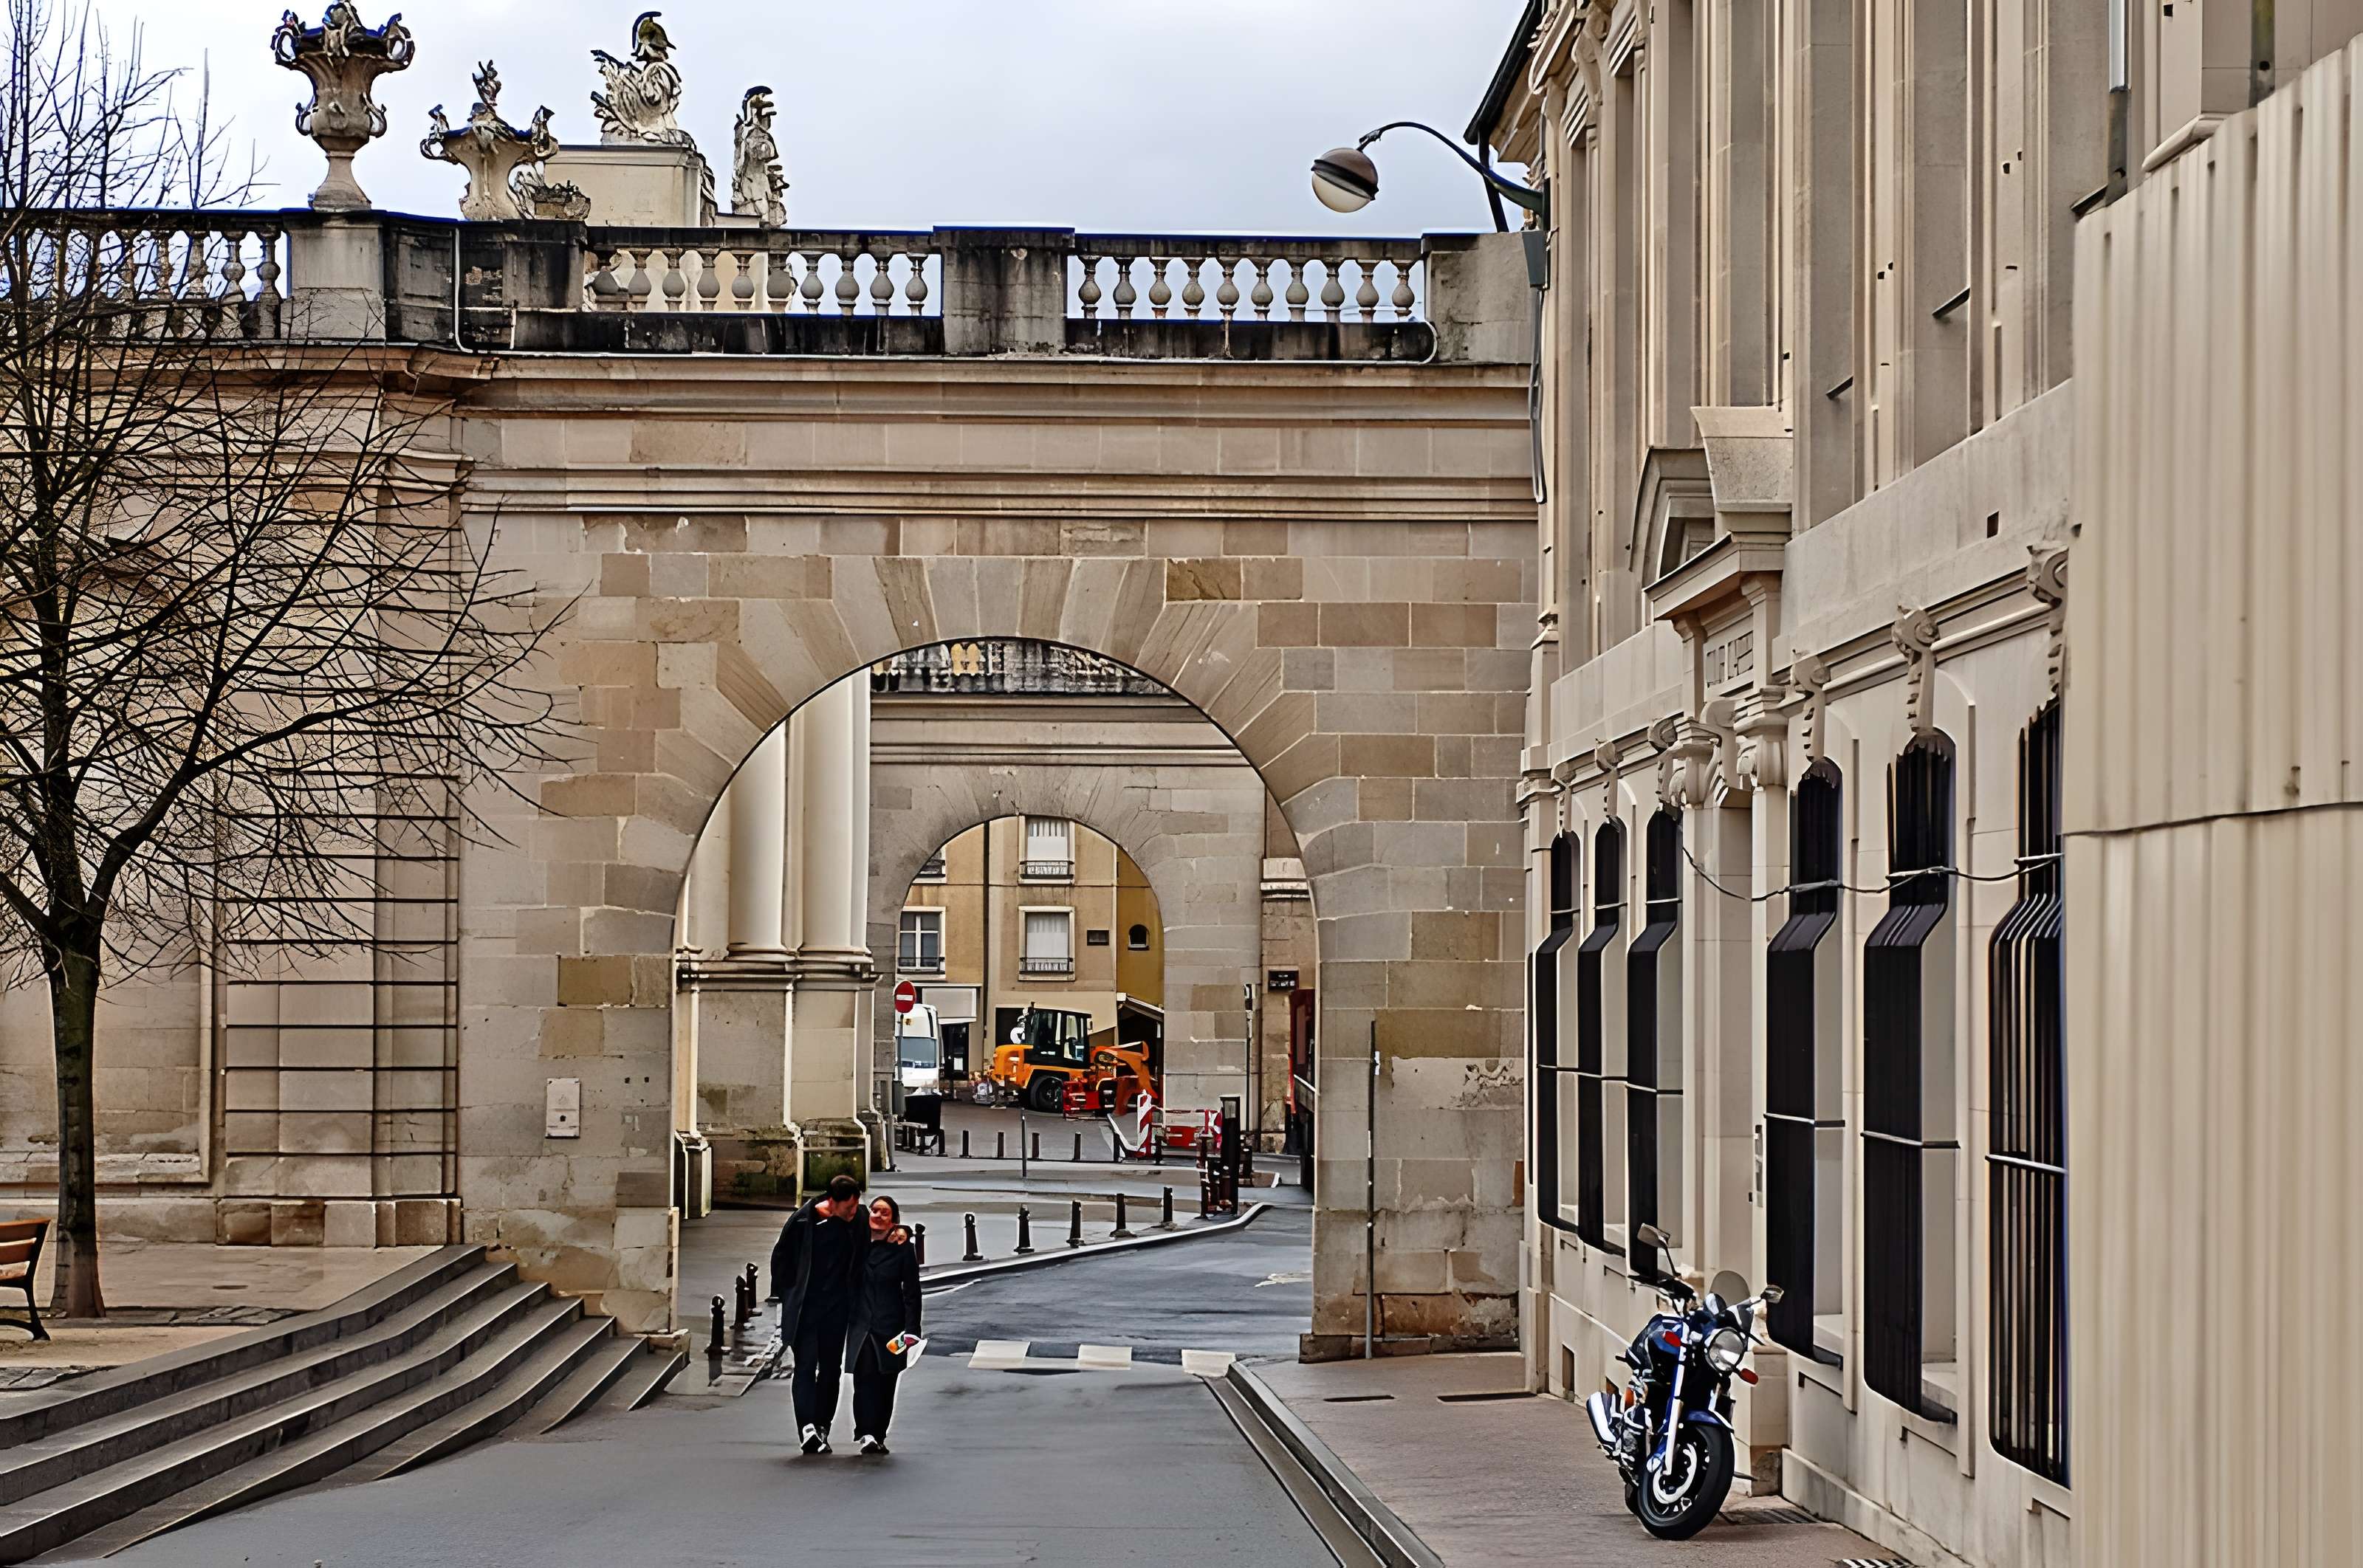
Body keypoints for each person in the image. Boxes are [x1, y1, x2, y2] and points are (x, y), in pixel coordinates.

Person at [769, 1172, 869, 1454]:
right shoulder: (803, 1221)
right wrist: (789, 1295)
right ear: (832, 1202)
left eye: (856, 1205)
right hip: (806, 1310)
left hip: (838, 1309)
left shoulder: (860, 1219)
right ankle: (807, 1428)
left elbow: (875, 1241)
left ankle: (822, 1425)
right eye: (849, 1207)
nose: (853, 1212)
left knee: (830, 1369)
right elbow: (781, 1259)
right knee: (804, 1366)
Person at [848, 1194, 922, 1455]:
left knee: (887, 1381)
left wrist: (912, 1331)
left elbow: (912, 1292)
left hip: (892, 1326)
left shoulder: (902, 1248)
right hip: (860, 1323)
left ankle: (878, 1433)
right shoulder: (856, 1243)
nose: (878, 1215)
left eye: (885, 1213)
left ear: (893, 1221)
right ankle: (866, 1432)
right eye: (875, 1210)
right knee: (864, 1379)